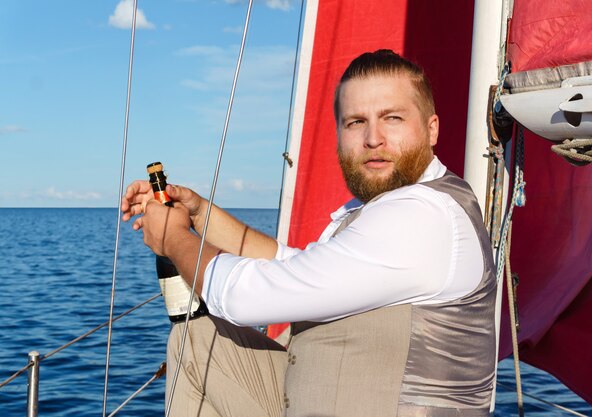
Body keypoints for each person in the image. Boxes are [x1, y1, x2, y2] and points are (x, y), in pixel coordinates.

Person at [122, 49, 497, 417]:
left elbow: (241, 297)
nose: (372, 138)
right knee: (197, 341)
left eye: (392, 118)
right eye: (355, 122)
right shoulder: (381, 209)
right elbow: (296, 265)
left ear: (431, 129)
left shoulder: (424, 216)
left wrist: (173, 238)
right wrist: (201, 214)